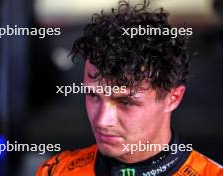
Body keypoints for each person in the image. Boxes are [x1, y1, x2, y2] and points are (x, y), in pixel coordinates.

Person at [36, 1, 223, 175]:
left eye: (125, 101)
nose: (102, 121)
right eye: (93, 95)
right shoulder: (55, 170)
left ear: (173, 98)